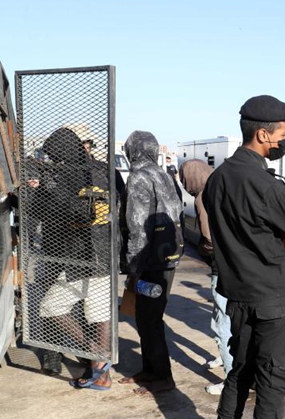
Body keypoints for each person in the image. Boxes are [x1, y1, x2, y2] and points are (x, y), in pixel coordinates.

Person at [204, 95, 285, 419]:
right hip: (270, 298)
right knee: (272, 380)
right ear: (265, 135)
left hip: (237, 297)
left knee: (239, 373)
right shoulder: (266, 185)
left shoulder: (217, 179)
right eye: (283, 133)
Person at [32, 127, 115, 389]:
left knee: (50, 307)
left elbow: (44, 211)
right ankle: (102, 373)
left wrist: (43, 188)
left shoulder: (63, 176)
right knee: (99, 315)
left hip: (82, 256)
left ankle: (95, 355)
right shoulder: (102, 169)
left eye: (56, 156)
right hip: (105, 253)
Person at [119, 130, 184, 395]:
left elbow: (136, 226)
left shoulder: (138, 177)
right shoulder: (163, 174)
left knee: (149, 319)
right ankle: (150, 370)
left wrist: (134, 269)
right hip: (168, 257)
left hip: (148, 260)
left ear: (132, 150)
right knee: (149, 318)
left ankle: (162, 377)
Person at [178, 159, 231, 395]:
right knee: (225, 319)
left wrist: (203, 248)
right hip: (238, 267)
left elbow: (209, 239)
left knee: (222, 324)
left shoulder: (203, 197)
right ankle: (224, 358)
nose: (184, 182)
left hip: (222, 268)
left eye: (184, 178)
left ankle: (231, 378)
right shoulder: (224, 186)